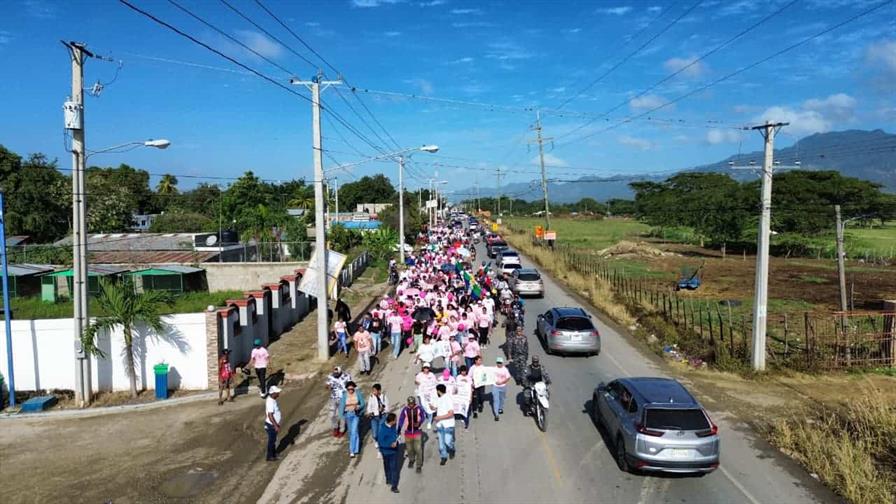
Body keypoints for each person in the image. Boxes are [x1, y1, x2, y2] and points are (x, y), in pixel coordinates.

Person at [397, 396, 426, 474]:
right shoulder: (405, 410)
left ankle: (419, 465)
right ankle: (411, 460)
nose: (411, 405)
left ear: (414, 403)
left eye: (412, 403)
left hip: (417, 432)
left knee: (418, 449)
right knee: (409, 449)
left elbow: (423, 417)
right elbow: (401, 419)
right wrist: (399, 429)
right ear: (408, 403)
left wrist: (419, 423)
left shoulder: (419, 408)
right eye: (410, 404)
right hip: (408, 433)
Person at [338, 381, 366, 458]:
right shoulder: (344, 395)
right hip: (348, 415)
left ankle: (352, 451)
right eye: (349, 389)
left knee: (354, 431)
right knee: (351, 432)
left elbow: (363, 403)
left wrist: (358, 407)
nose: (350, 390)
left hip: (355, 414)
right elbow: (341, 406)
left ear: (354, 388)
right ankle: (356, 448)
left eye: (352, 389)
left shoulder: (358, 393)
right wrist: (341, 416)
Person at [376, 413, 401, 494]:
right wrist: (390, 445)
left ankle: (394, 486)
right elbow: (380, 442)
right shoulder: (382, 429)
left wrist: (397, 439)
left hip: (394, 452)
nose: (396, 421)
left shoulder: (393, 426)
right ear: (391, 421)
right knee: (387, 466)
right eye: (395, 420)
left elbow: (396, 434)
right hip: (386, 452)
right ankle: (388, 479)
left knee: (394, 469)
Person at [432, 384, 456, 466]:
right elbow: (436, 407)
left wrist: (439, 417)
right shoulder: (439, 399)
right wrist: (432, 407)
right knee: (441, 443)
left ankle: (452, 449)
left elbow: (451, 413)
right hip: (440, 425)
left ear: (438, 391)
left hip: (448, 424)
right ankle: (443, 456)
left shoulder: (448, 399)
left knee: (447, 441)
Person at [326, 366, 352, 437]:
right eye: (334, 374)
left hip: (342, 399)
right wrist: (328, 387)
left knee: (341, 415)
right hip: (333, 398)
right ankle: (335, 427)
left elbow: (351, 386)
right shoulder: (330, 376)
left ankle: (341, 430)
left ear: (340, 372)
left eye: (337, 374)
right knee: (331, 415)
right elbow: (327, 385)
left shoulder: (346, 376)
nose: (335, 375)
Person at [366, 383, 389, 457]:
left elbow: (387, 408)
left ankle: (380, 451)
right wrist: (369, 412)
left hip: (382, 417)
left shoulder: (384, 397)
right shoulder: (371, 397)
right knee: (375, 434)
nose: (374, 392)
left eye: (375, 390)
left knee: (380, 433)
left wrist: (383, 409)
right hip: (374, 418)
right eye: (373, 390)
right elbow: (369, 407)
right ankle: (376, 440)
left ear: (379, 390)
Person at [415, 362, 438, 429]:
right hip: (422, 394)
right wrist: (417, 382)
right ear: (423, 368)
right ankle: (425, 414)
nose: (426, 369)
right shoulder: (419, 375)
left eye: (427, 368)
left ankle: (429, 422)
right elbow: (416, 381)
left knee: (429, 408)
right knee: (422, 406)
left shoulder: (432, 375)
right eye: (425, 368)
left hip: (430, 394)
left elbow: (435, 382)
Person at [264, 385, 283, 462]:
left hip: (273, 425)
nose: (278, 393)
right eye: (277, 392)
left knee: (273, 440)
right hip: (271, 425)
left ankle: (273, 454)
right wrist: (275, 426)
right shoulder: (270, 402)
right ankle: (270, 456)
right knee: (271, 441)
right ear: (273, 393)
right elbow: (270, 415)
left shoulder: (272, 399)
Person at [491, 357, 512, 421]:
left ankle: (500, 408)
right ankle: (496, 415)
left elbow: (508, 377)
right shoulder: (493, 369)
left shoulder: (505, 369)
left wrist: (502, 382)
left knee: (502, 399)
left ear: (502, 363)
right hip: (495, 386)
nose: (499, 364)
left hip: (503, 386)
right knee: (496, 400)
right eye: (498, 362)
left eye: (500, 363)